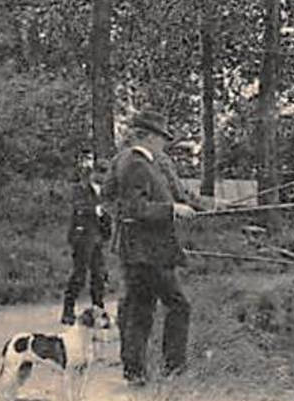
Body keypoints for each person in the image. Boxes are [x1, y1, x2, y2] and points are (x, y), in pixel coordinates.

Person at [107, 110, 204, 385]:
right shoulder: (137, 164)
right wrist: (173, 209)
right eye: (161, 137)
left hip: (138, 250)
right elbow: (135, 208)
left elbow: (112, 199)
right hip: (149, 251)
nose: (163, 143)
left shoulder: (126, 160)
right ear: (147, 137)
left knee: (141, 308)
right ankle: (174, 369)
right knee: (178, 305)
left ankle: (135, 372)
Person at [61, 149, 111, 324]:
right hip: (82, 237)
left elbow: (108, 213)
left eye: (106, 173)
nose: (103, 177)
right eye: (101, 172)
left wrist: (106, 226)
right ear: (93, 173)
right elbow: (79, 207)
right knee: (79, 275)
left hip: (97, 238)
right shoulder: (80, 189)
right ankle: (68, 309)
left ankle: (98, 309)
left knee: (99, 275)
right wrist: (96, 210)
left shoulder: (104, 193)